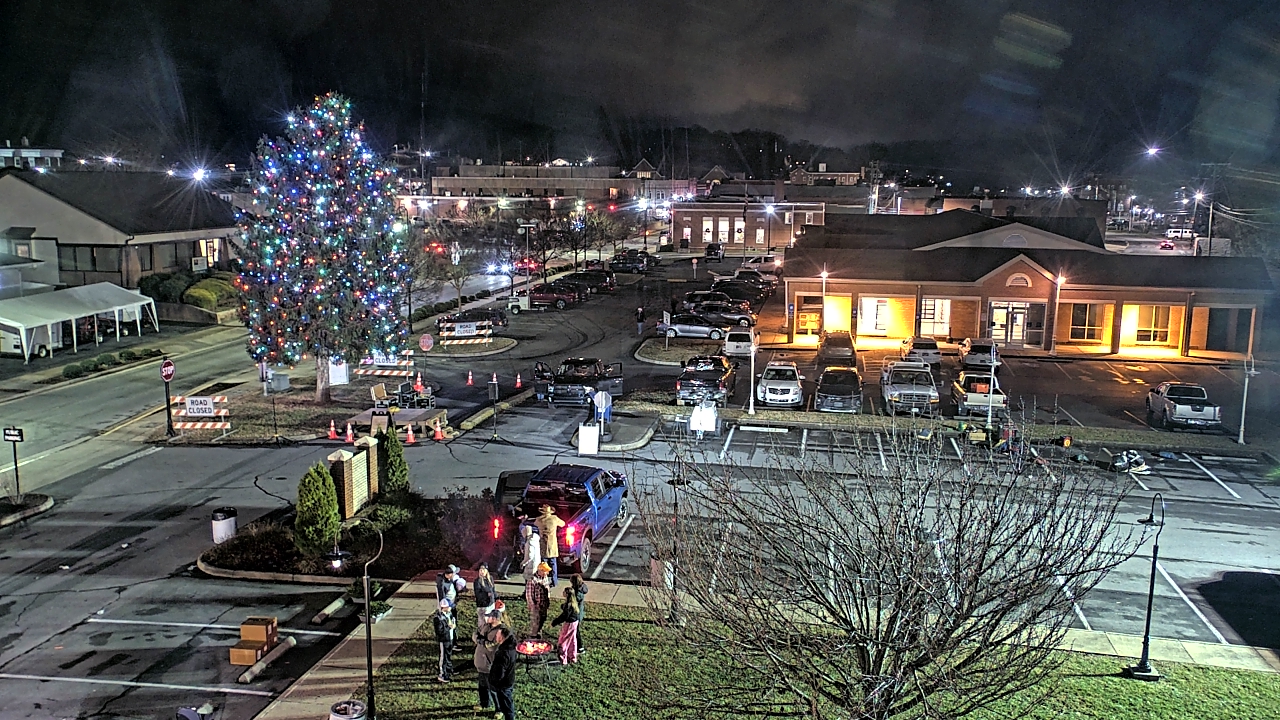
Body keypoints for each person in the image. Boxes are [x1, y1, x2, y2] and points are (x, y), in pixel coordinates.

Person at [472, 609, 503, 713]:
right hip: (481, 664)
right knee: (482, 686)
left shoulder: (501, 631)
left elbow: (492, 647)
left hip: (490, 665)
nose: (487, 618)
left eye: (489, 616)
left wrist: (481, 641)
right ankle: (484, 703)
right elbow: (475, 634)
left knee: (493, 689)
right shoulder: (486, 626)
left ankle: (499, 709)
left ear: (494, 618)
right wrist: (480, 640)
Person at [489, 626, 518, 720]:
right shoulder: (511, 647)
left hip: (503, 685)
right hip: (509, 680)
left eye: (497, 634)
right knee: (507, 703)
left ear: (502, 637)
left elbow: (499, 672)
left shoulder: (502, 653)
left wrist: (493, 682)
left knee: (507, 706)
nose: (495, 636)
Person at [535, 505, 565, 586]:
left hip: (543, 545)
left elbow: (534, 523)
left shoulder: (539, 520)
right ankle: (554, 581)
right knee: (553, 564)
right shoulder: (554, 519)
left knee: (544, 565)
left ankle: (544, 580)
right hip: (552, 545)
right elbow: (563, 524)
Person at [550, 586, 581, 665]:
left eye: (564, 591)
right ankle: (572, 657)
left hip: (570, 623)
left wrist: (554, 622)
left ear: (567, 594)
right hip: (575, 622)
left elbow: (564, 616)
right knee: (572, 639)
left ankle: (563, 659)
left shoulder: (568, 605)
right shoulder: (573, 602)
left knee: (563, 640)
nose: (563, 592)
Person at [432, 599, 456, 683]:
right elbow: (439, 631)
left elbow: (452, 620)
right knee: (443, 657)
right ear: (444, 607)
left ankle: (449, 670)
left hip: (450, 638)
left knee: (448, 655)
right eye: (449, 607)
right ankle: (442, 674)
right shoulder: (438, 618)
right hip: (444, 640)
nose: (450, 608)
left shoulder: (449, 614)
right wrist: (449, 627)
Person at [526, 562, 552, 637]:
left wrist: (548, 601)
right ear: (540, 570)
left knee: (543, 619)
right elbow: (529, 594)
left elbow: (548, 589)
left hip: (544, 604)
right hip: (536, 606)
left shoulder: (545, 578)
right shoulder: (532, 580)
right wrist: (532, 606)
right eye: (545, 571)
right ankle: (533, 635)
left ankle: (539, 632)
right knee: (536, 621)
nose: (547, 573)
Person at [474, 563, 497, 631]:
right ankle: (482, 636)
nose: (482, 571)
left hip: (491, 604)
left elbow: (493, 590)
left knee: (491, 622)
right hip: (483, 606)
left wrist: (496, 598)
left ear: (487, 571)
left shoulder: (490, 579)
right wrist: (487, 594)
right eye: (480, 570)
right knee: (483, 623)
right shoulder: (477, 581)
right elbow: (478, 594)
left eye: (484, 570)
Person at [570, 574, 589, 654]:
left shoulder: (577, 593)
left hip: (576, 615)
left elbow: (573, 604)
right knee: (575, 630)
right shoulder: (582, 588)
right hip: (579, 613)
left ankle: (580, 647)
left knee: (576, 631)